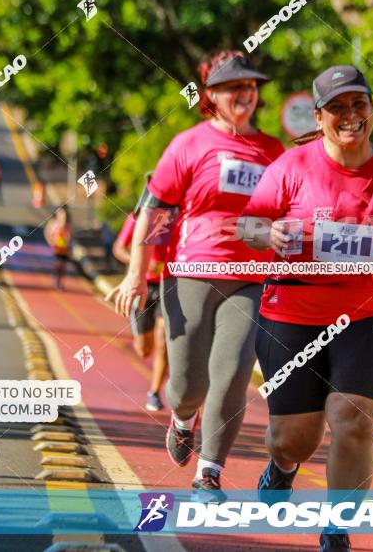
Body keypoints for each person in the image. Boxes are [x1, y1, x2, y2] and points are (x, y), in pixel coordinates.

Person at [238, 65, 373, 552]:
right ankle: (282, 469)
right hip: (290, 313)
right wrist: (265, 234)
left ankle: (337, 526)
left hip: (365, 315)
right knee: (294, 438)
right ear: (319, 116)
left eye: (358, 104)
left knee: (353, 420)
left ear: (370, 110)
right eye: (337, 108)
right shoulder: (292, 168)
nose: (350, 116)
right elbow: (245, 225)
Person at [106, 51, 285, 501]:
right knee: (188, 384)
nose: (244, 94)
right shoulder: (190, 144)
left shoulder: (273, 151)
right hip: (190, 272)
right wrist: (134, 276)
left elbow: (288, 210)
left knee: (233, 373)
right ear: (211, 96)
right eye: (232, 87)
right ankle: (183, 418)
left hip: (250, 277)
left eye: (250, 86)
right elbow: (155, 211)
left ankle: (209, 471)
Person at [112, 175, 169, 412]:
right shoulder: (138, 218)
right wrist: (140, 264)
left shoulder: (175, 220)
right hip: (142, 286)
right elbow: (119, 248)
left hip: (168, 284)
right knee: (144, 349)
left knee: (163, 338)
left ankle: (155, 392)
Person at [44, 206, 72, 290]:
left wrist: (68, 241)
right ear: (57, 215)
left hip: (64, 249)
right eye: (61, 215)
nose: (63, 217)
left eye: (64, 216)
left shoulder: (67, 226)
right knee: (58, 264)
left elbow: (69, 236)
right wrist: (51, 241)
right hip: (56, 249)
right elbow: (47, 232)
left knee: (63, 266)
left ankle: (60, 282)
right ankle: (56, 281)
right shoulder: (53, 224)